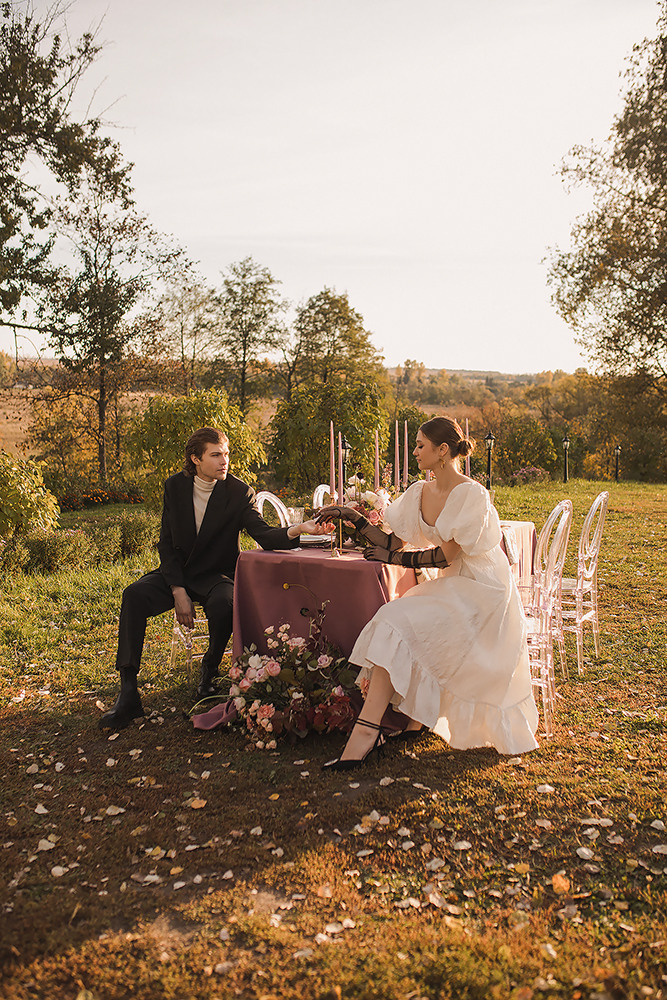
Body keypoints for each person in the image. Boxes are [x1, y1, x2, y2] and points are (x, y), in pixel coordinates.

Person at [315, 416, 539, 770]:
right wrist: (351, 516)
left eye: (421, 445)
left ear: (442, 450)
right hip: (453, 585)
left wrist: (393, 559)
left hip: (483, 590)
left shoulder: (471, 494)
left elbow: (446, 555)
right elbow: (392, 541)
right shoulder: (420, 491)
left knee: (395, 621)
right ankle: (378, 729)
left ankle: (372, 732)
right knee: (393, 622)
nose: (415, 452)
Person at [99, 426, 330, 730]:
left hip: (217, 575)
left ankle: (209, 670)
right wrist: (177, 589)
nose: (225, 461)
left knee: (224, 604)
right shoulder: (174, 487)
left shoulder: (239, 492)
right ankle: (128, 692)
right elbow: (166, 543)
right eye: (216, 455)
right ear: (195, 458)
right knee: (134, 595)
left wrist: (299, 529)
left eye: (227, 454)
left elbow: (263, 534)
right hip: (179, 573)